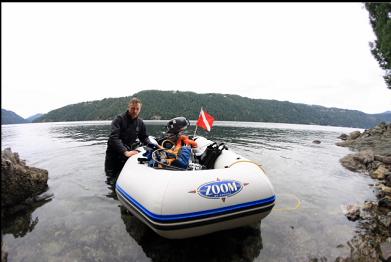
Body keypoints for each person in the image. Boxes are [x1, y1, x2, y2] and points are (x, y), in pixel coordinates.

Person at [105, 97, 152, 177]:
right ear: (129, 107)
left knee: (123, 176)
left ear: (140, 109)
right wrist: (125, 152)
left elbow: (144, 137)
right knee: (110, 178)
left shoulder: (140, 123)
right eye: (133, 108)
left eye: (137, 109)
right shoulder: (119, 119)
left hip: (127, 153)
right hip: (114, 155)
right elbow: (114, 138)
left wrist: (154, 146)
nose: (135, 111)